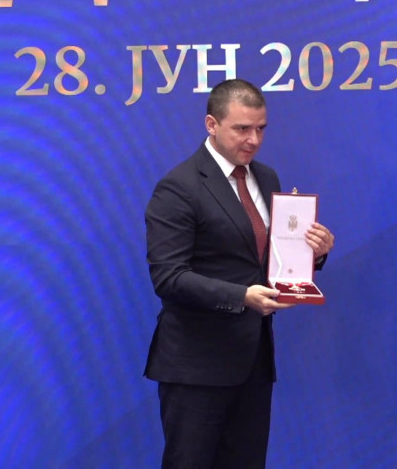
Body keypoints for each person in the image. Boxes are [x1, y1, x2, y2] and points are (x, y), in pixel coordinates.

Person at [143, 78, 334, 468]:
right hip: (195, 368)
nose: (254, 140)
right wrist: (241, 296)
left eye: (261, 128)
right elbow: (169, 277)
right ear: (211, 125)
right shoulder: (178, 188)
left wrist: (314, 254)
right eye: (242, 129)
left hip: (254, 364)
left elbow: (268, 259)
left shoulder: (266, 178)